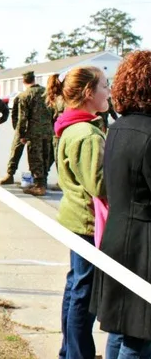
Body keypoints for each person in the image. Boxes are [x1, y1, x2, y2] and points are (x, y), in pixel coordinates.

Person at [91, 50, 151, 359]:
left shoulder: (118, 127)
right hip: (143, 244)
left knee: (121, 327)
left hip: (118, 234)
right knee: (141, 336)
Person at [49, 65, 110, 359]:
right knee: (82, 294)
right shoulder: (87, 134)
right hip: (86, 223)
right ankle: (77, 353)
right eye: (104, 87)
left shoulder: (70, 125)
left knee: (75, 287)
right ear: (89, 93)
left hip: (73, 218)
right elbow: (99, 184)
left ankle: (69, 350)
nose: (108, 92)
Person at [0, 71, 52, 196]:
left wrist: (21, 134)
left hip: (33, 133)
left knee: (35, 158)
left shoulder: (24, 96)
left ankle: (39, 186)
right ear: (34, 79)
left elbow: (22, 118)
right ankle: (42, 182)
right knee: (45, 157)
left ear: (24, 81)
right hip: (48, 131)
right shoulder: (47, 93)